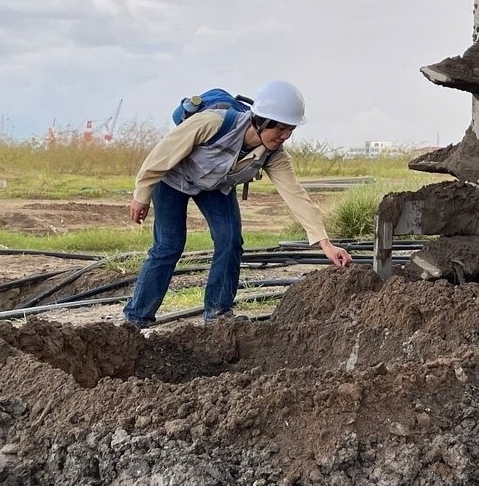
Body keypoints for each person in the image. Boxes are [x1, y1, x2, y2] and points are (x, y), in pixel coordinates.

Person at [122, 80, 353, 327]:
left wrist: (325, 244)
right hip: (173, 180)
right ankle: (136, 318)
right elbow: (161, 155)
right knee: (169, 245)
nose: (285, 136)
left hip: (214, 187)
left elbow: (296, 195)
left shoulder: (273, 154)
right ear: (262, 121)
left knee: (230, 240)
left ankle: (218, 314)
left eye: (290, 131)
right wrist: (141, 195)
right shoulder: (213, 122)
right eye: (281, 129)